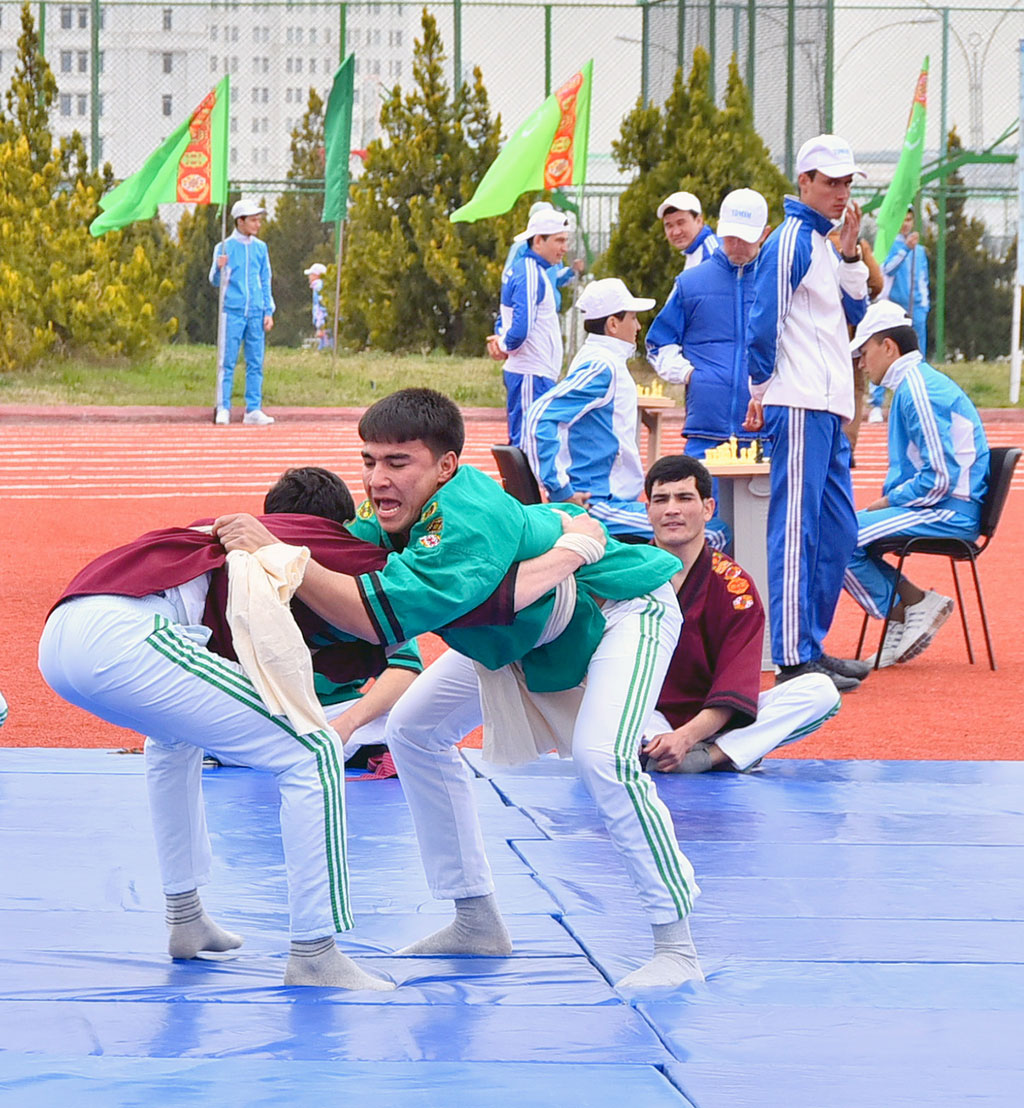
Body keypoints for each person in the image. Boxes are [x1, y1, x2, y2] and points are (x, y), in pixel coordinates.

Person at [215, 387, 705, 989]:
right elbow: (345, 557)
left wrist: (279, 552)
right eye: (369, 461)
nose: (378, 479)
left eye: (399, 463)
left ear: (445, 466)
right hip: (527, 635)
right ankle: (475, 918)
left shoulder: (465, 514)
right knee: (413, 729)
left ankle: (677, 946)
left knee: (603, 759)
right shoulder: (391, 518)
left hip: (620, 610)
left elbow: (379, 615)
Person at [745, 134, 871, 693]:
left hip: (828, 408)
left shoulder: (824, 242)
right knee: (795, 529)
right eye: (830, 182)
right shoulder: (791, 238)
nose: (840, 192)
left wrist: (850, 253)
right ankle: (794, 655)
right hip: (796, 403)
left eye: (846, 183)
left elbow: (856, 311)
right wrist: (761, 388)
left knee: (839, 531)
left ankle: (810, 645)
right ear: (804, 183)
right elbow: (763, 318)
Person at [640, 455, 841, 774]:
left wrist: (686, 738)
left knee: (820, 691)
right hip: (647, 716)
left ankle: (709, 757)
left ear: (708, 508)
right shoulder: (627, 574)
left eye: (684, 498)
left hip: (719, 723)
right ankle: (661, 749)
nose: (672, 509)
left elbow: (733, 690)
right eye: (661, 499)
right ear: (648, 510)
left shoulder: (736, 589)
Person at [844, 301, 989, 666]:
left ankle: (911, 609)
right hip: (942, 505)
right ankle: (908, 609)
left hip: (949, 511)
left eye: (864, 352)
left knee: (836, 537)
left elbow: (941, 477)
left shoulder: (918, 390)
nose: (861, 363)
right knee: (840, 533)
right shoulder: (914, 385)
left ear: (888, 347)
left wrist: (887, 501)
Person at [646, 188, 771, 548]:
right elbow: (658, 343)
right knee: (703, 533)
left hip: (766, 433)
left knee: (759, 538)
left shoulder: (778, 282)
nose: (735, 245)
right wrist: (689, 375)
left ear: (764, 233)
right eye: (729, 235)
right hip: (706, 430)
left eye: (745, 238)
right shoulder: (691, 282)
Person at [522, 277, 656, 541]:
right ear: (613, 324)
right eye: (633, 318)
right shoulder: (601, 366)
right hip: (600, 504)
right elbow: (539, 415)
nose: (638, 326)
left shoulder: (599, 360)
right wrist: (561, 491)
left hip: (607, 500)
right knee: (707, 532)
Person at [487, 208, 571, 447]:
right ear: (538, 241)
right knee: (527, 442)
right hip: (531, 372)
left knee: (532, 440)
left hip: (535, 372)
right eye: (559, 240)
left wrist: (503, 339)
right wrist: (503, 343)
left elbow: (510, 316)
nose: (564, 248)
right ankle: (518, 486)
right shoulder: (530, 273)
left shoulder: (532, 271)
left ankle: (523, 485)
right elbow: (521, 327)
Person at [210, 198, 276, 427]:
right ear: (240, 221)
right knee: (227, 361)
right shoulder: (224, 247)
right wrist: (219, 268)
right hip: (232, 311)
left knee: (256, 361)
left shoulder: (260, 248)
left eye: (259, 220)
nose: (257, 224)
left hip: (256, 312)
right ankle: (223, 407)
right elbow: (215, 281)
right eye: (253, 220)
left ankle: (253, 408)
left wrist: (268, 310)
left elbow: (265, 279)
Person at [869, 207, 930, 421]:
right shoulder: (890, 246)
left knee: (917, 356)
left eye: (910, 220)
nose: (906, 224)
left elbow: (923, 278)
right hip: (894, 311)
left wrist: (925, 303)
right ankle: (876, 403)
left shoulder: (920, 251)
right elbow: (887, 270)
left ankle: (917, 400)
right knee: (886, 354)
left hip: (917, 309)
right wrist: (904, 249)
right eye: (903, 220)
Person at [503, 201, 585, 312]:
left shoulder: (553, 250)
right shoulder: (520, 248)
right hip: (530, 311)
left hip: (550, 312)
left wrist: (571, 270)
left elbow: (557, 278)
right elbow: (508, 278)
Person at [657, 190, 719, 271]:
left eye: (681, 223)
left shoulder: (714, 254)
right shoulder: (693, 252)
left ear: (699, 221)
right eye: (669, 226)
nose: (676, 232)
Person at [303, 262, 331, 351]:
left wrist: (321, 326)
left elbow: (322, 308)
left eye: (311, 274)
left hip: (325, 324)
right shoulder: (325, 286)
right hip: (327, 323)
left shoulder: (318, 287)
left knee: (326, 348)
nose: (309, 277)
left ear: (317, 275)